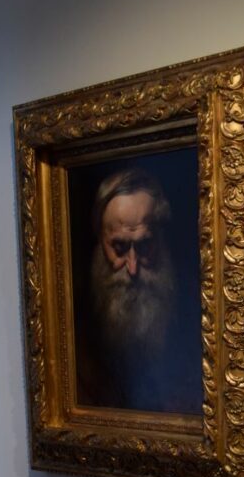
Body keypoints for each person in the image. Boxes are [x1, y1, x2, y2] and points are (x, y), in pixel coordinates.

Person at [75, 167, 202, 414]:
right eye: (119, 247)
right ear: (100, 241)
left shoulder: (193, 324)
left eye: (145, 246)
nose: (132, 268)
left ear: (160, 240)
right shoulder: (76, 338)